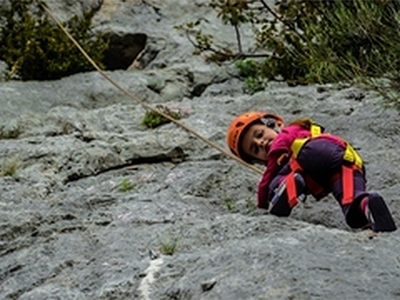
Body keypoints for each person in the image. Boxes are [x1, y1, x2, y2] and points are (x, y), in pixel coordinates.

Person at [226, 111, 397, 232]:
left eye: (260, 134)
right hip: (344, 159)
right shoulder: (303, 130)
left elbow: (267, 178)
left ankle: (287, 186)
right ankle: (369, 207)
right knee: (352, 203)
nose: (261, 142)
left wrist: (262, 205)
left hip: (310, 155)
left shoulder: (285, 136)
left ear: (275, 124)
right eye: (255, 149)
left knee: (275, 180)